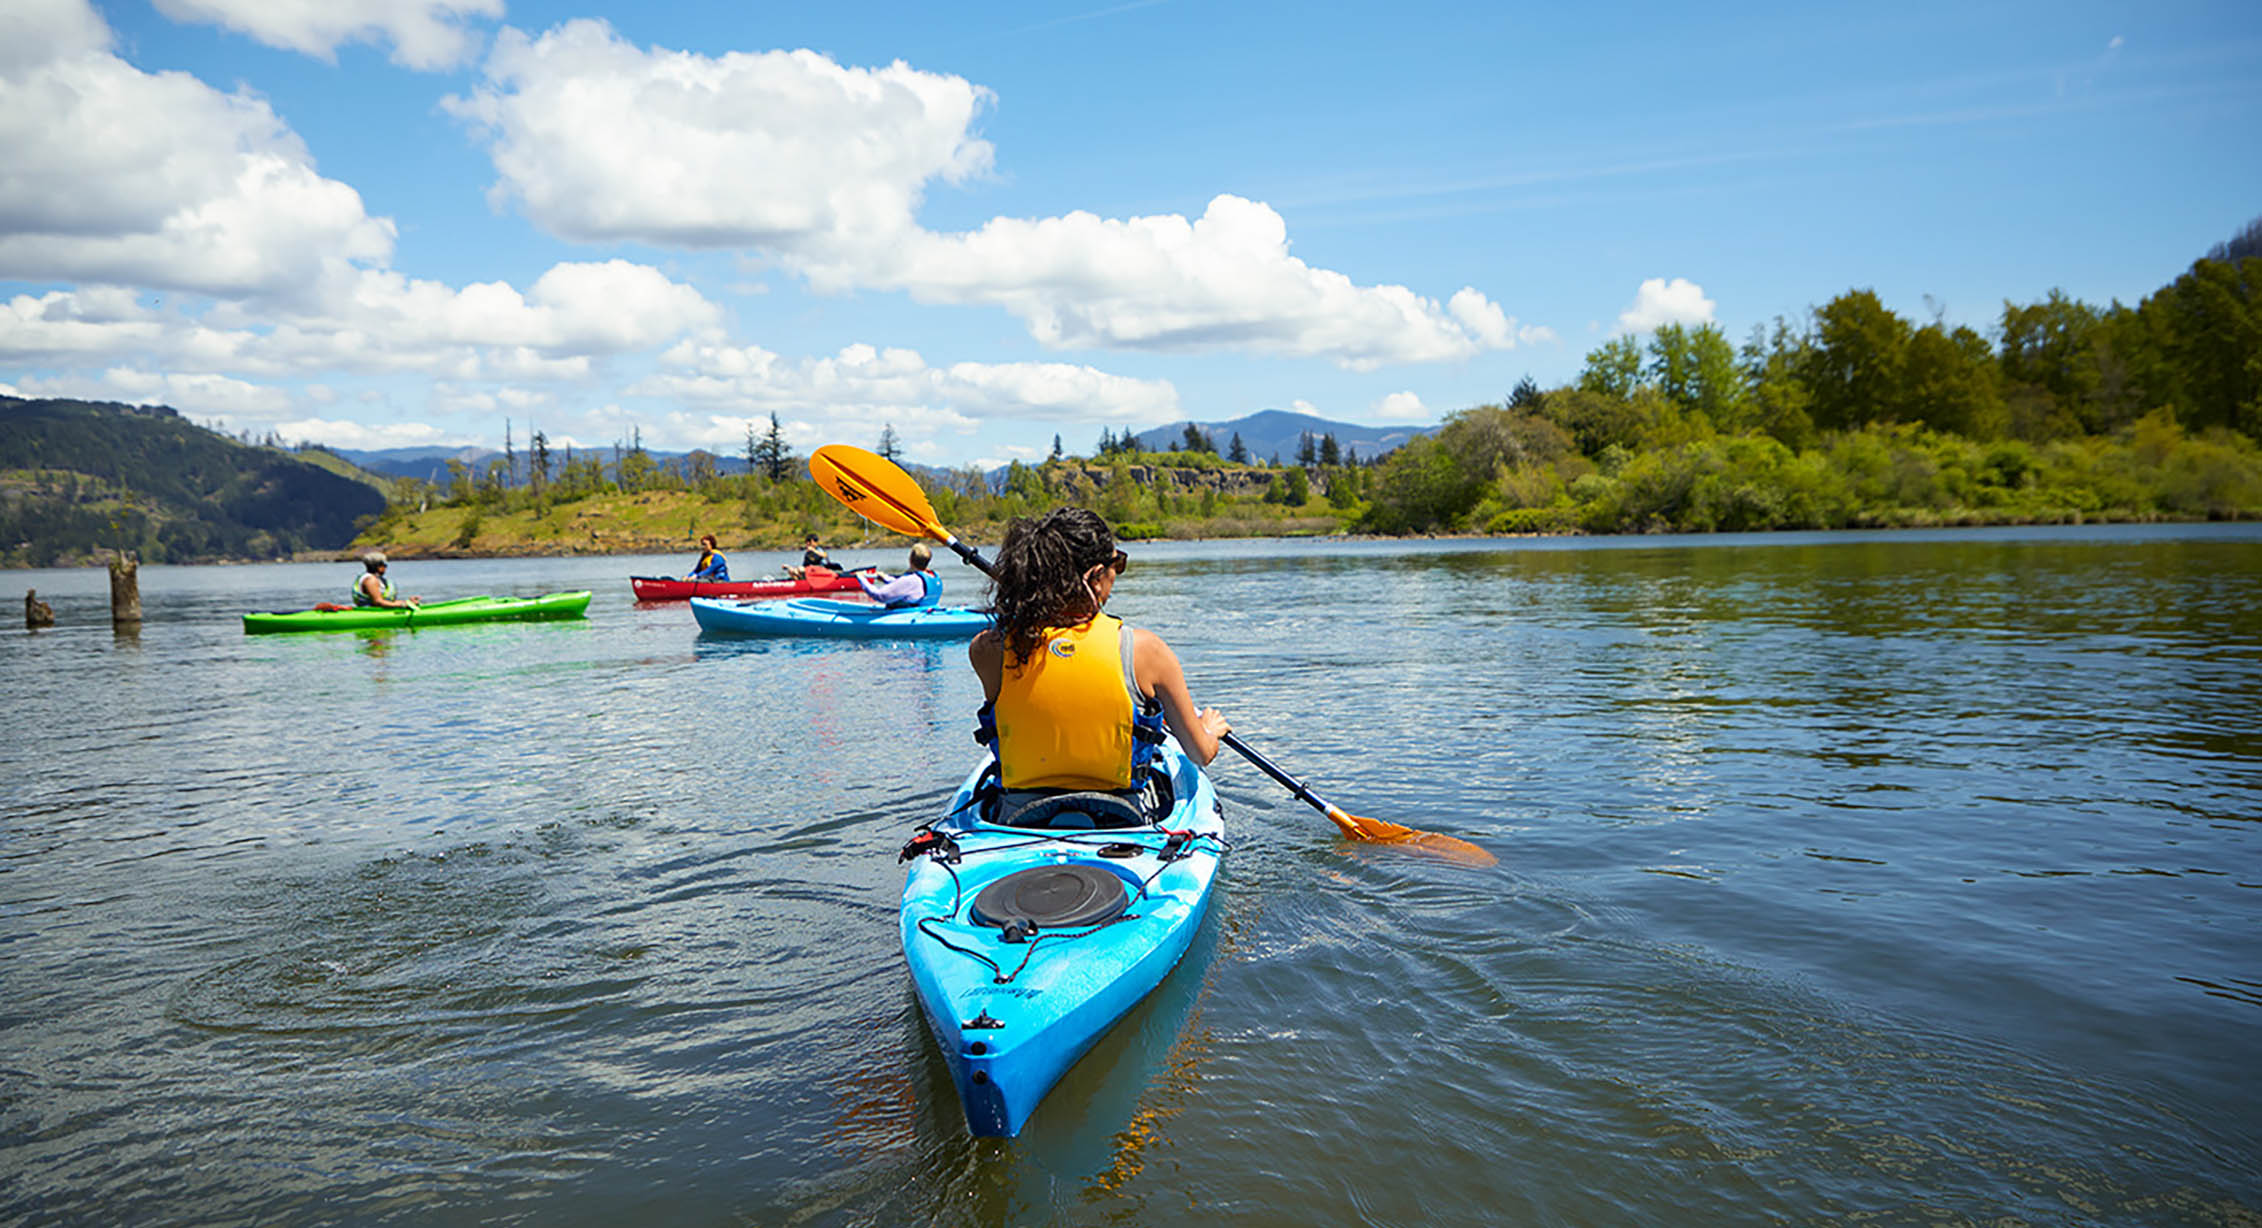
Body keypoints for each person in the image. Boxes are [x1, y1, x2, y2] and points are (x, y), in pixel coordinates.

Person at [969, 507, 1229, 824]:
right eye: (1116, 564)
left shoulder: (988, 649)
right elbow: (1200, 752)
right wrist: (1210, 729)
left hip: (1019, 818)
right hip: (1120, 819)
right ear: (1095, 576)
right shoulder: (1147, 651)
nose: (1116, 575)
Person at [856, 543, 941, 609]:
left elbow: (880, 596)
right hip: (924, 611)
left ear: (910, 559)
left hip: (906, 615)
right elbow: (906, 587)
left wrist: (861, 578)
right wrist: (886, 578)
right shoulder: (932, 576)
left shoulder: (910, 580)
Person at [353, 552, 421, 609]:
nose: (386, 567)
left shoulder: (377, 579)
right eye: (384, 565)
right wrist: (402, 605)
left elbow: (386, 601)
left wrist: (408, 602)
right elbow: (378, 602)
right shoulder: (370, 580)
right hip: (372, 612)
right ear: (378, 566)